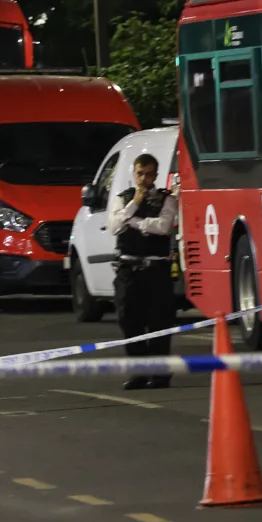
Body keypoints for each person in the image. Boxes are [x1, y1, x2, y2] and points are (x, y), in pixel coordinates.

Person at [107, 153, 179, 390]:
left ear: (155, 176)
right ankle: (138, 372)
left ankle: (159, 374)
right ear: (134, 174)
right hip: (128, 270)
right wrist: (134, 205)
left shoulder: (166, 199)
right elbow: (115, 227)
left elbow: (163, 226)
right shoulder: (123, 199)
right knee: (130, 322)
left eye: (149, 174)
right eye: (140, 173)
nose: (144, 179)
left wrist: (135, 221)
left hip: (156, 269)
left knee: (159, 322)